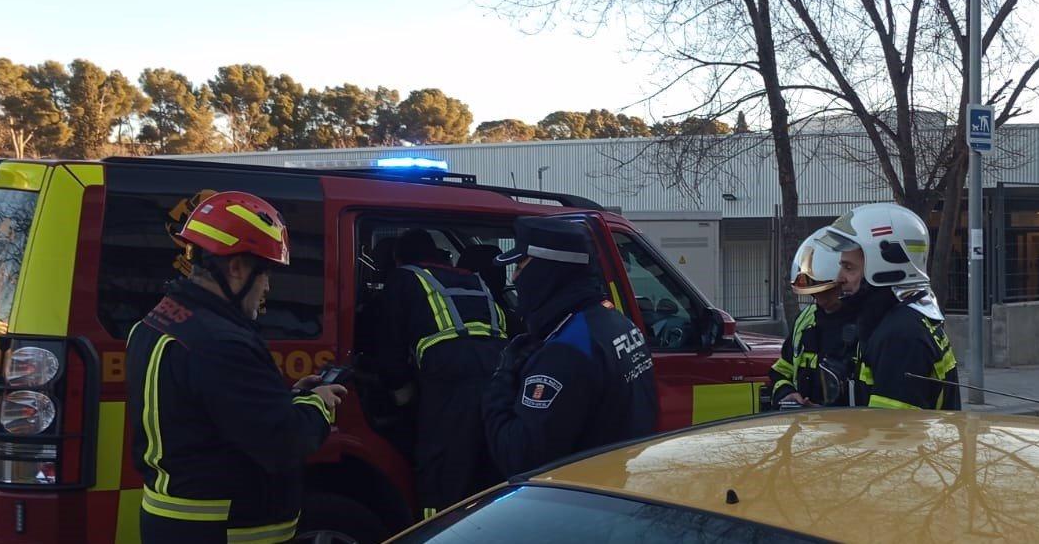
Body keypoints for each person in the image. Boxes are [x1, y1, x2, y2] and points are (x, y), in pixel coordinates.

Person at [126, 191, 344, 544]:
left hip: (174, 522)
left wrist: (285, 400)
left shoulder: (159, 322)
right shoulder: (221, 343)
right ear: (237, 267)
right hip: (228, 530)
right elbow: (284, 442)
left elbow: (214, 417)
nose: (268, 288)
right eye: (265, 273)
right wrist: (318, 403)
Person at [483, 216, 657, 476]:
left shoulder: (564, 352)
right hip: (620, 487)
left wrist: (502, 380)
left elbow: (521, 457)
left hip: (576, 501)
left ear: (547, 270)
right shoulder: (618, 323)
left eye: (521, 264)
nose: (515, 276)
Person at [375, 229, 507, 519]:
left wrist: (399, 389)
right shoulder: (474, 278)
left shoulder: (403, 277)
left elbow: (390, 341)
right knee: (487, 467)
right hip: (497, 374)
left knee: (443, 473)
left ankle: (439, 530)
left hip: (449, 379)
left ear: (398, 258)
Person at [817, 203, 960, 411]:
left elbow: (890, 433)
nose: (840, 279)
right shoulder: (898, 320)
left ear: (882, 268)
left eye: (849, 268)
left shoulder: (901, 336)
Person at [770, 233, 859, 409]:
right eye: (813, 291)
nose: (818, 298)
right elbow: (781, 371)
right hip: (807, 429)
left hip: (849, 431)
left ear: (841, 282)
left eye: (825, 291)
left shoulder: (867, 325)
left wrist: (827, 413)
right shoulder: (805, 320)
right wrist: (787, 393)